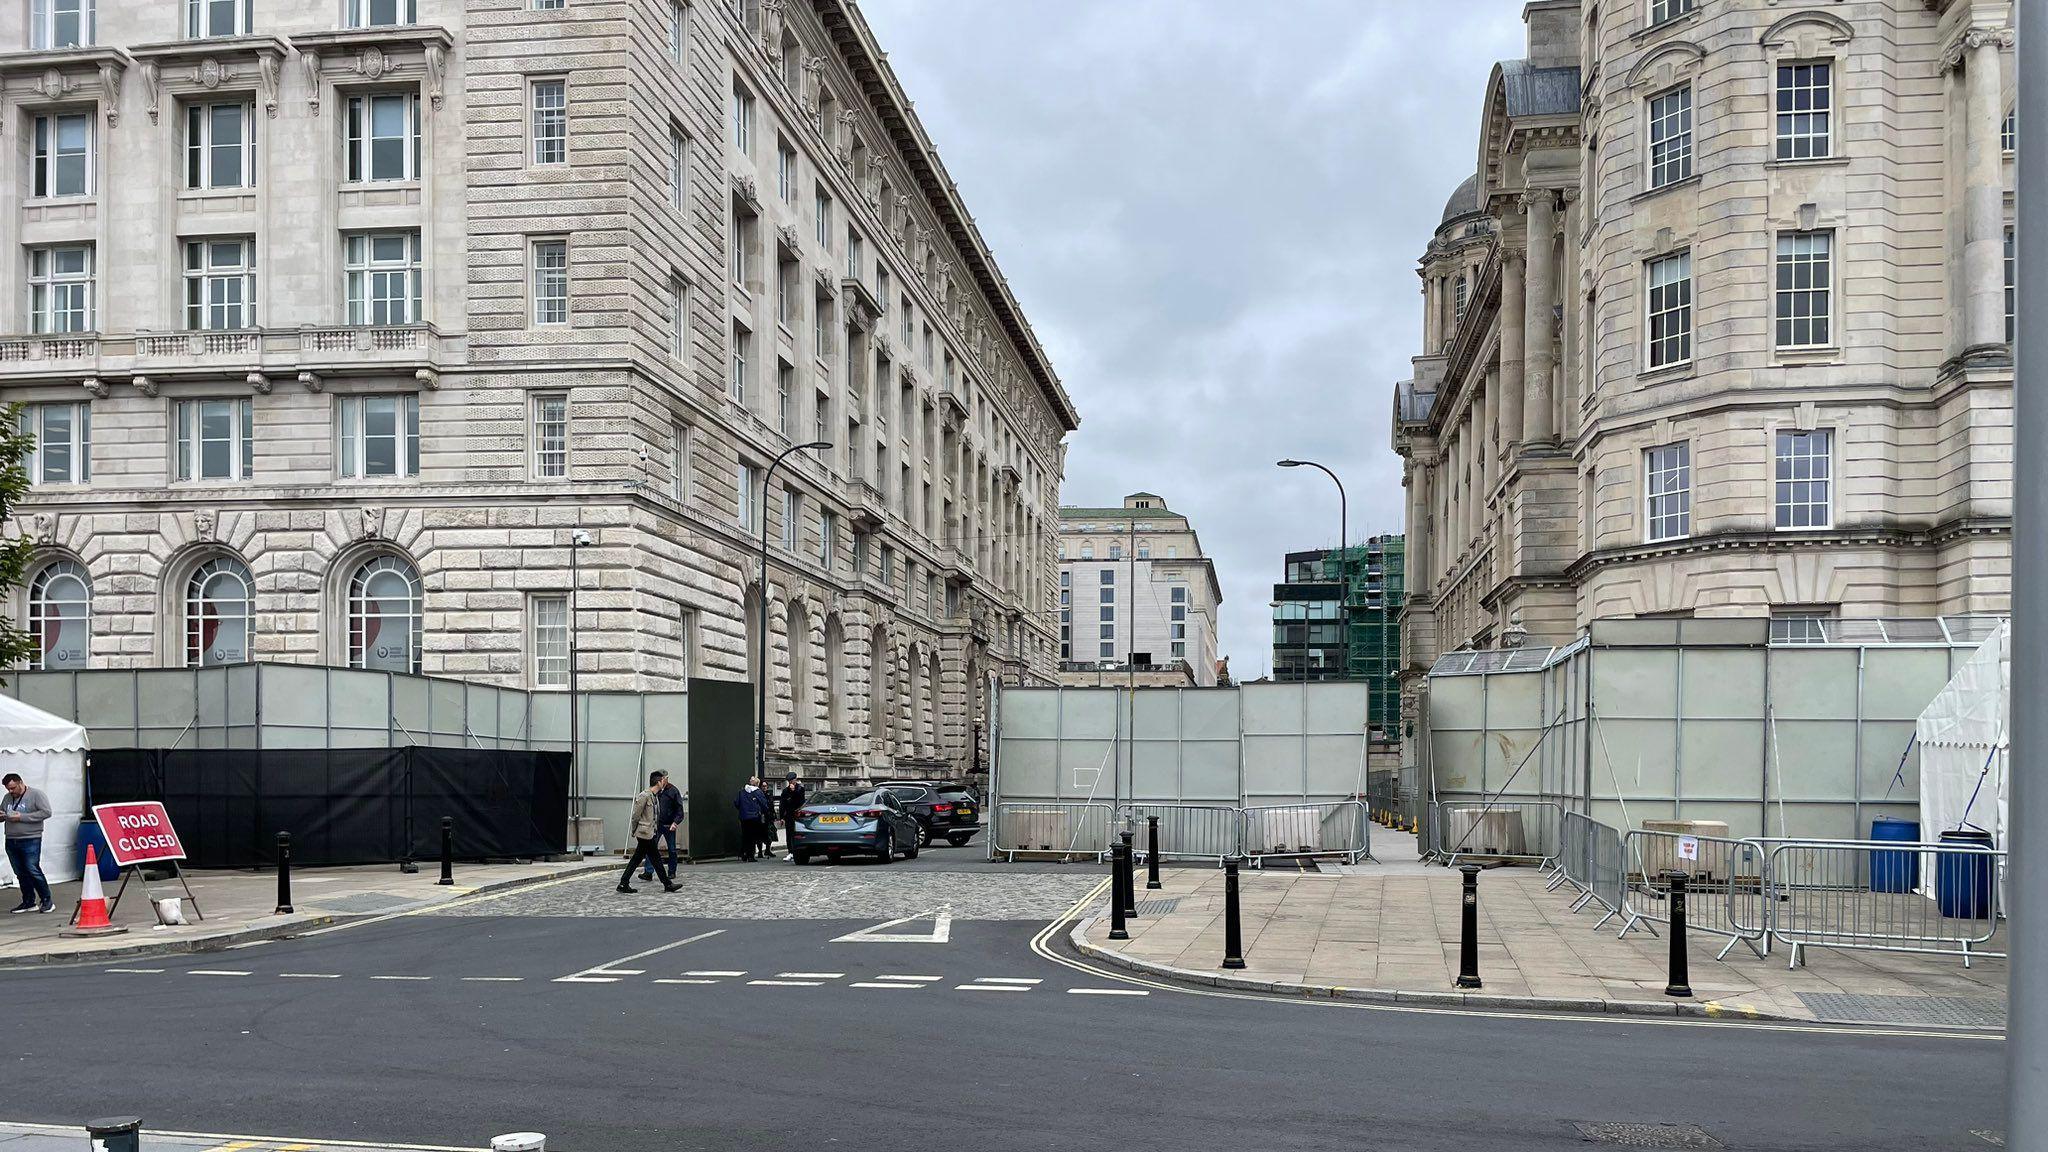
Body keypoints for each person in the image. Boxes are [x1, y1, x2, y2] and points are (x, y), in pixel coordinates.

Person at [618, 773, 680, 894]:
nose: (664, 782)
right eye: (663, 780)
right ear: (658, 782)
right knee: (654, 859)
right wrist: (634, 831)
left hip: (649, 833)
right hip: (644, 834)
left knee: (641, 859)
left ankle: (623, 882)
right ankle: (667, 884)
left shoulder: (654, 796)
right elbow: (635, 816)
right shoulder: (644, 796)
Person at [2, 772, 53, 914]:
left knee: (32, 869)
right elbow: (3, 812)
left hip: (31, 838)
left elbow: (46, 812)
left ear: (20, 783)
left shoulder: (36, 795)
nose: (10, 792)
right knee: (20, 872)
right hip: (11, 839)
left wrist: (22, 817)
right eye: (8, 789)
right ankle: (28, 901)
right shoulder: (7, 798)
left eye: (13, 788)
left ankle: (47, 899)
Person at [639, 770, 684, 883]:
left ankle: (672, 872)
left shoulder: (673, 791)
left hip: (669, 825)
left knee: (672, 850)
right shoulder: (655, 791)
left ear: (666, 779)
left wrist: (675, 822)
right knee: (651, 848)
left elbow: (679, 809)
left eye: (663, 778)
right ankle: (648, 872)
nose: (661, 781)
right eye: (660, 779)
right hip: (656, 825)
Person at [734, 777, 773, 862]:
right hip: (754, 817)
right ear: (757, 784)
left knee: (745, 835)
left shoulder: (742, 791)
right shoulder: (758, 792)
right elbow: (764, 804)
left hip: (743, 816)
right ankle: (750, 856)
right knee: (752, 836)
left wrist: (743, 809)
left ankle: (743, 853)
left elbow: (736, 803)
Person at [778, 772, 807, 862]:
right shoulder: (785, 791)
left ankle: (797, 852)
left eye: (792, 780)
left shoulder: (800, 789)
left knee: (797, 834)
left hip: (798, 816)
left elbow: (800, 802)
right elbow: (782, 804)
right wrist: (781, 817)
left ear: (795, 779)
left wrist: (794, 791)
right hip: (789, 816)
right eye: (789, 781)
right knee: (789, 834)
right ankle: (790, 852)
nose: (791, 783)